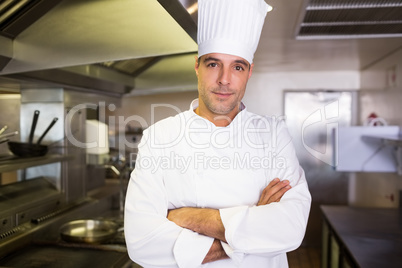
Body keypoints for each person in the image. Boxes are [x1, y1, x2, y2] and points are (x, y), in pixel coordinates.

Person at [124, 0, 311, 267]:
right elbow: (141, 242)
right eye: (213, 64)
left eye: (238, 66)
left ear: (249, 73)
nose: (225, 79)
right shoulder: (160, 137)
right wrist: (253, 228)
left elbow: (290, 228)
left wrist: (188, 217)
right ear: (197, 67)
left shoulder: (273, 135)